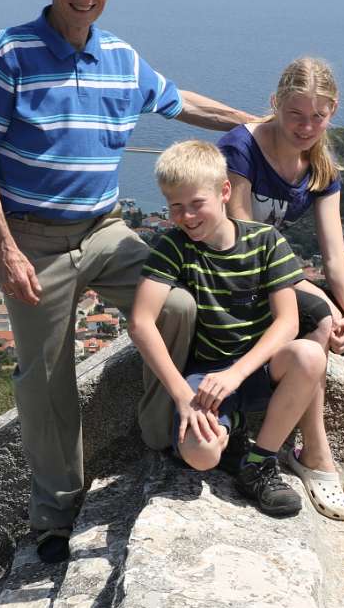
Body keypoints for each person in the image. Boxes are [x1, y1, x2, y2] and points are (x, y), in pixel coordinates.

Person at [0, 0, 257, 564]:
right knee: (46, 377)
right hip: (34, 239)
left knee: (180, 305)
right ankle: (55, 513)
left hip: (104, 227)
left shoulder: (120, 58)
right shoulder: (12, 49)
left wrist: (251, 123)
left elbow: (179, 101)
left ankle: (159, 432)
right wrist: (5, 247)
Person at [217, 57, 344, 525]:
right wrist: (319, 300)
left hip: (278, 274)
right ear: (276, 104)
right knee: (318, 320)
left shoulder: (320, 164)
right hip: (237, 278)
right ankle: (314, 456)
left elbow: (334, 253)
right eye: (295, 114)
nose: (305, 126)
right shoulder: (240, 149)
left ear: (333, 110)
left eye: (317, 116)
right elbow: (243, 240)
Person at [129, 140, 327, 518]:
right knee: (201, 456)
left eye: (196, 203)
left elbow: (287, 323)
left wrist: (237, 374)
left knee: (309, 354)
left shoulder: (265, 241)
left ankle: (258, 463)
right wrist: (182, 396)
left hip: (258, 370)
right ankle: (228, 430)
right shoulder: (173, 246)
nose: (186, 216)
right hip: (205, 378)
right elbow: (141, 322)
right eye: (175, 207)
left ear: (224, 192)